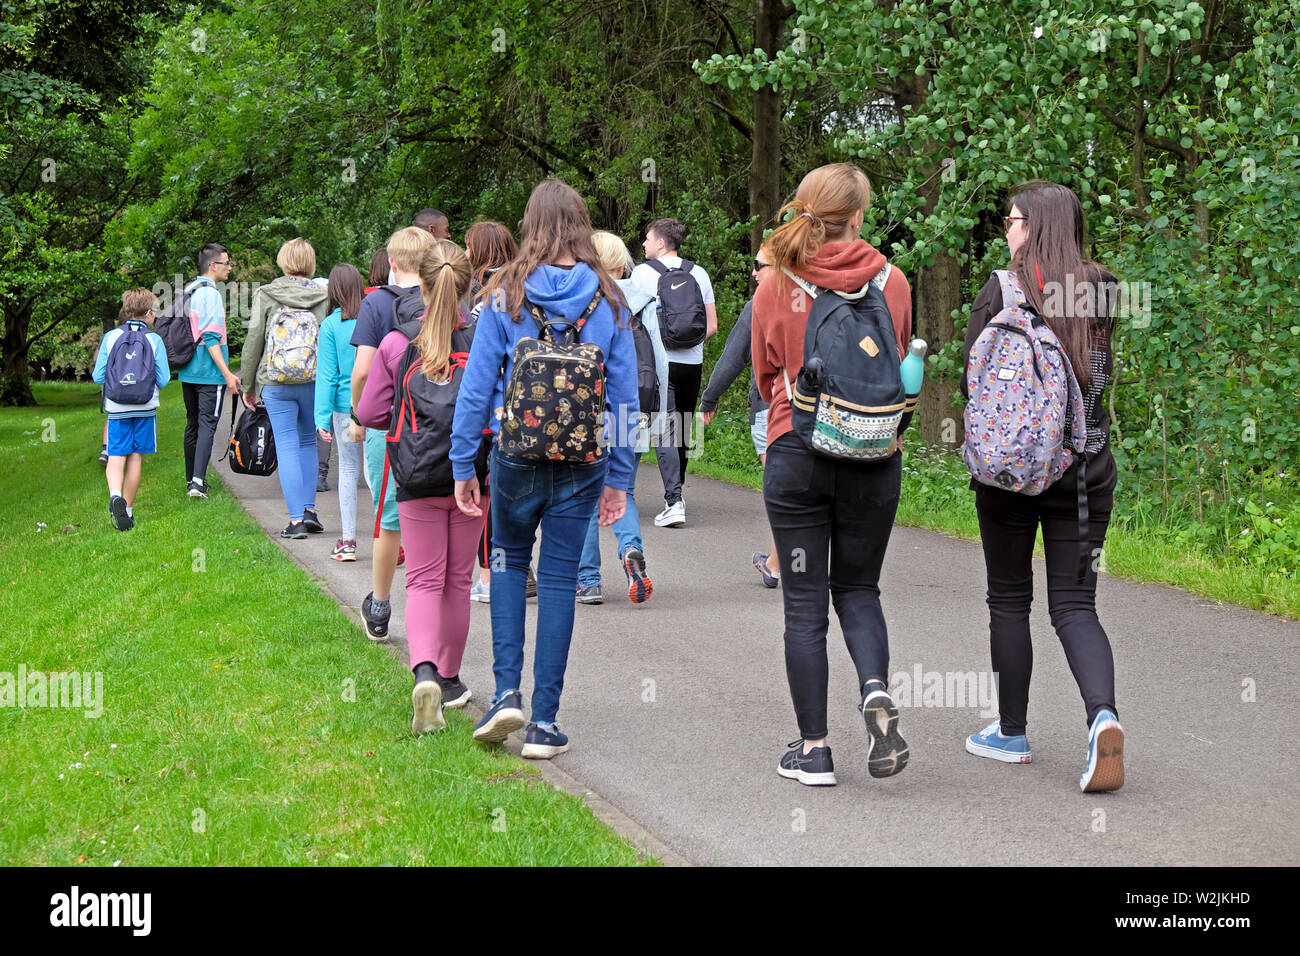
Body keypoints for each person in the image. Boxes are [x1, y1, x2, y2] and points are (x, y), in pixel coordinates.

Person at [450, 179, 638, 760]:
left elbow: (477, 386)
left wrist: (463, 462)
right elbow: (627, 399)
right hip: (583, 461)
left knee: (506, 563)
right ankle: (545, 723)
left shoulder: (504, 292)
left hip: (514, 455)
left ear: (531, 224)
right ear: (581, 225)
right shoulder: (609, 298)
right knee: (558, 581)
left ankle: (505, 692)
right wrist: (620, 478)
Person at [752, 163, 914, 787]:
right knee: (859, 589)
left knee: (803, 606)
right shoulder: (893, 281)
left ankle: (815, 750)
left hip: (798, 452)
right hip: (874, 455)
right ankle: (874, 690)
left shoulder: (777, 282)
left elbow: (768, 371)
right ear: (859, 216)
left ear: (805, 210)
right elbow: (895, 361)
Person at [961, 181, 1125, 792]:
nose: (1006, 230)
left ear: (1034, 227)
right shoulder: (1105, 290)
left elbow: (976, 390)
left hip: (1010, 474)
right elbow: (1097, 381)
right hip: (1086, 471)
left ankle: (1010, 732)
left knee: (1008, 600)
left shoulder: (999, 293)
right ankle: (1102, 718)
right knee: (1076, 606)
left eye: (1012, 221)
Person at [357, 239, 482, 733]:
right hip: (473, 475)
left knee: (425, 579)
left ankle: (424, 671)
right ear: (467, 284)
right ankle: (450, 679)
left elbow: (368, 413)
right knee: (457, 579)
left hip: (415, 473)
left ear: (421, 285)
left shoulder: (395, 343)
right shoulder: (485, 341)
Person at [350, 227, 435, 639]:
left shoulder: (377, 304)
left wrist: (357, 414)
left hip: (395, 426)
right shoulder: (449, 300)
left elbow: (363, 370)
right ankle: (430, 600)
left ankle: (381, 606)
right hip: (443, 426)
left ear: (391, 262)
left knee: (391, 519)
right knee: (433, 514)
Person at [574, 230, 665, 605]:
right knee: (622, 491)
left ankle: (589, 581)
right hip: (633, 409)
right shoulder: (643, 301)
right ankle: (631, 555)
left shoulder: (580, 301)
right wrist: (656, 413)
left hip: (589, 412)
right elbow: (658, 360)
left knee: (582, 496)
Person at [627, 218, 718, 528]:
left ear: (661, 243)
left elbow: (630, 323)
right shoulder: (699, 273)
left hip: (660, 363)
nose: (644, 245)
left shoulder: (641, 274)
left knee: (662, 426)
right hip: (691, 362)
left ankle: (672, 500)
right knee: (682, 428)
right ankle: (677, 494)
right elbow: (712, 325)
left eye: (647, 239)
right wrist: (686, 343)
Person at [240, 238, 332, 538]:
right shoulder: (323, 295)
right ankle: (310, 511)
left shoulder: (267, 294)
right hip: (312, 380)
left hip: (275, 381)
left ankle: (295, 522)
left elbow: (254, 342)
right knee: (307, 443)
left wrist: (248, 384)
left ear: (283, 261)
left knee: (288, 446)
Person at [699, 249, 780, 587]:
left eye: (760, 266)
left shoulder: (760, 304)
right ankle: (794, 561)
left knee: (781, 490)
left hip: (769, 409)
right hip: (814, 411)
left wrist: (709, 398)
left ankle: (778, 564)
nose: (753, 273)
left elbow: (733, 357)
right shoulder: (818, 300)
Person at [463, 221, 519, 602]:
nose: (465, 254)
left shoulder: (486, 296)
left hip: (491, 412)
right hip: (527, 410)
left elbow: (480, 364)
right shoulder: (524, 285)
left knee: (488, 501)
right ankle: (513, 568)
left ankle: (490, 575)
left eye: (469, 247)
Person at [92, 289, 170, 531]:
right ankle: (127, 511)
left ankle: (115, 495)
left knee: (116, 454)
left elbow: (97, 376)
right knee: (135, 456)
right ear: (148, 313)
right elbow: (164, 379)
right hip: (145, 407)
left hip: (117, 406)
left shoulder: (111, 337)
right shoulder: (154, 339)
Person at [177, 243, 239, 498]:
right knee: (207, 425)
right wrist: (227, 373)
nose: (230, 267)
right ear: (213, 266)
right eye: (227, 263)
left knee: (192, 424)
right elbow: (212, 338)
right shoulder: (211, 295)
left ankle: (191, 478)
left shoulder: (187, 291)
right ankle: (198, 483)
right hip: (208, 371)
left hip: (188, 368)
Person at [315, 263, 366, 561]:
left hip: (343, 407)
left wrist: (321, 418)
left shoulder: (331, 326)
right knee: (376, 474)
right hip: (375, 404)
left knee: (348, 468)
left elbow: (327, 376)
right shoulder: (372, 320)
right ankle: (392, 540)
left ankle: (347, 542)